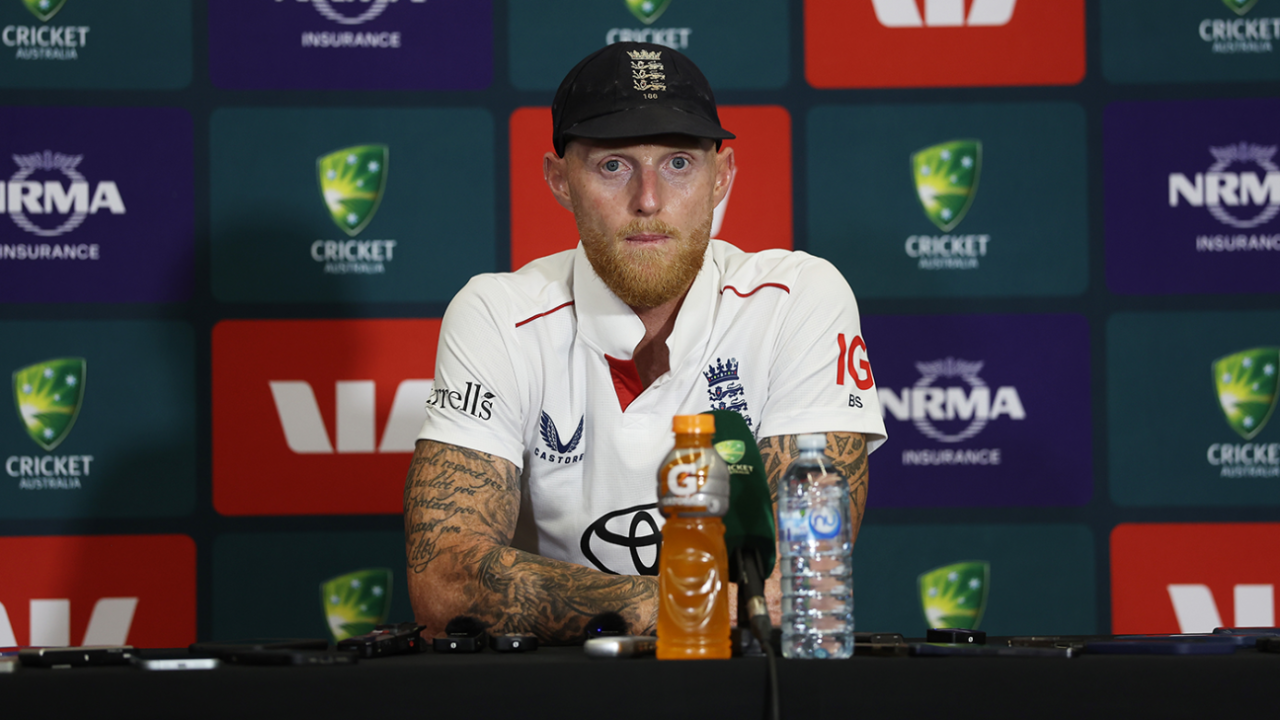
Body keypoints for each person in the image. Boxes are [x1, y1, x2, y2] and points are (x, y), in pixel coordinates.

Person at [405, 42, 886, 643]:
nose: (649, 200)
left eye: (679, 163)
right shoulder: (498, 314)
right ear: (559, 180)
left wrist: (630, 607)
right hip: (560, 690)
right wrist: (676, 605)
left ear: (723, 177)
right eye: (614, 165)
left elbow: (804, 580)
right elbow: (445, 581)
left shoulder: (799, 298)